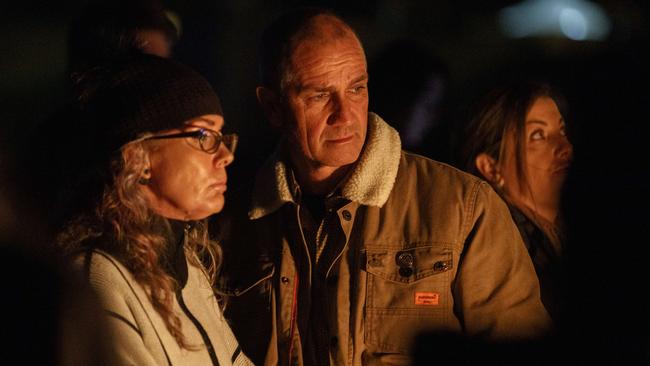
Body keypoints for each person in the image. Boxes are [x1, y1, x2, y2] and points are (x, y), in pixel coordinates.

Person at [213, 8, 552, 366]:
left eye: (356, 88)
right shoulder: (230, 217)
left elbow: (523, 350)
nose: (345, 115)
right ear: (273, 106)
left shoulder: (463, 207)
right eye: (319, 95)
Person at [57, 54, 252, 365]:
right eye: (203, 136)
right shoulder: (100, 280)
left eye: (221, 136)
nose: (226, 155)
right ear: (140, 157)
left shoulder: (185, 262)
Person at [459, 82, 573, 322]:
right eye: (538, 136)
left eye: (562, 132)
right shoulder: (501, 248)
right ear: (491, 167)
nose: (565, 147)